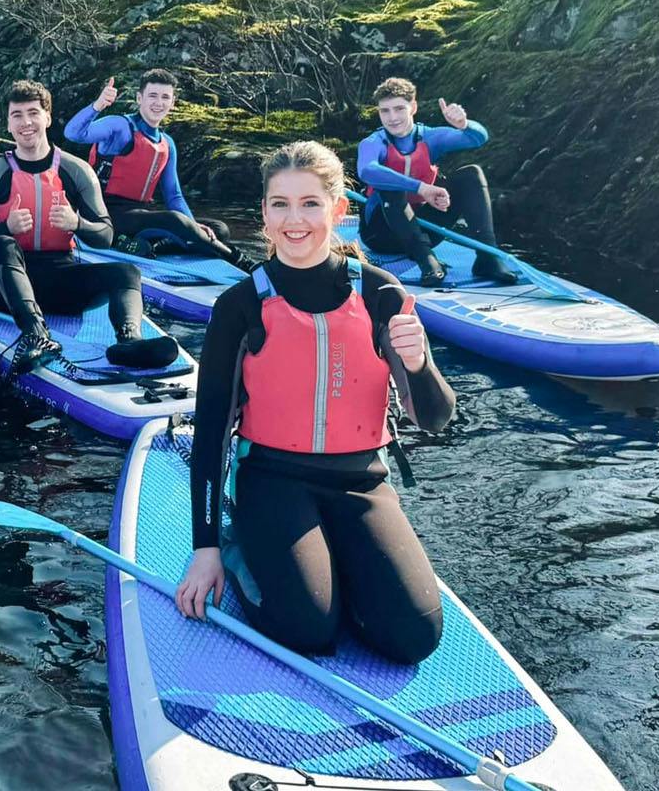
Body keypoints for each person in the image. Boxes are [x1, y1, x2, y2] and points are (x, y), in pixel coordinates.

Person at [175, 141, 455, 664]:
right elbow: (210, 429)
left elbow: (437, 418)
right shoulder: (239, 306)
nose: (294, 220)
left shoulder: (381, 295)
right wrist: (206, 548)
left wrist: (419, 365)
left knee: (414, 636)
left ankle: (334, 566)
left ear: (338, 209)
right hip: (272, 480)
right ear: (264, 213)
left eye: (309, 203)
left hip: (361, 482)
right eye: (280, 204)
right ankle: (242, 549)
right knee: (307, 628)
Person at [0, 79, 180, 374]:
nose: (26, 122)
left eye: (33, 113)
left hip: (61, 282)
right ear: (8, 124)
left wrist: (77, 223)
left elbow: (105, 235)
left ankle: (130, 341)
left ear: (48, 118)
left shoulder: (76, 170)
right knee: (2, 244)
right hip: (4, 289)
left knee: (127, 272)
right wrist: (4, 227)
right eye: (17, 115)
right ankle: (37, 335)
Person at [63, 69, 253, 268]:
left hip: (139, 214)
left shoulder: (167, 143)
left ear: (172, 102)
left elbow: (174, 196)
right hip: (104, 213)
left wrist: (193, 226)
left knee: (218, 229)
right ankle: (241, 261)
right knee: (175, 221)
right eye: (152, 96)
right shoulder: (120, 126)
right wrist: (98, 106)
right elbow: (73, 133)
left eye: (165, 97)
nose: (158, 103)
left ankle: (142, 245)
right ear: (139, 98)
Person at [355, 77, 516, 287]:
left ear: (413, 107)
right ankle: (427, 262)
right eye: (385, 111)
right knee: (389, 185)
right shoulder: (373, 142)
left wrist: (464, 125)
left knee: (471, 174)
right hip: (381, 236)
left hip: (425, 230)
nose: (392, 118)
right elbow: (367, 170)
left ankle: (488, 257)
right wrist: (421, 188)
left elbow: (478, 138)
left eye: (399, 109)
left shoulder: (430, 137)